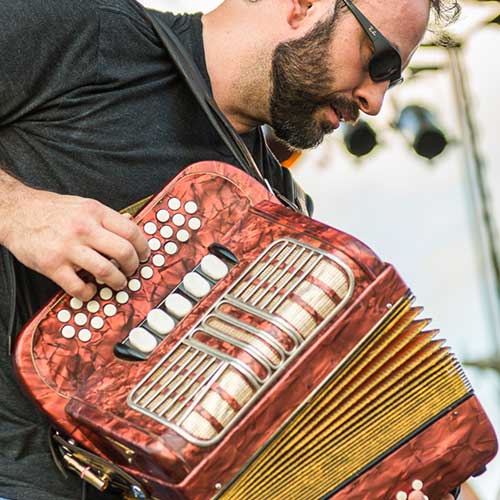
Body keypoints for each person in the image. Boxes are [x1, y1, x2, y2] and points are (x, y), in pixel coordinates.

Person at [0, 0, 461, 498]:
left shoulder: (286, 214)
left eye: (392, 81)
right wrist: (18, 211)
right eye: (381, 62)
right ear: (304, 5)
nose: (375, 101)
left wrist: (368, 476)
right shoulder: (95, 35)